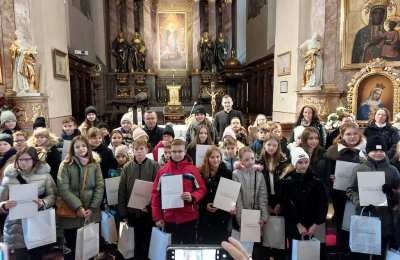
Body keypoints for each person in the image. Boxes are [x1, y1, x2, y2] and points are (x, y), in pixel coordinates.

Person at [347, 135, 400, 259]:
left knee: (380, 252)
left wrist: (392, 192)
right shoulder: (359, 169)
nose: (378, 153)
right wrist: (359, 201)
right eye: (374, 151)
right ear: (368, 152)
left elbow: (398, 191)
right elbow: (350, 190)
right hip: (364, 214)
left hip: (385, 217)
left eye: (381, 151)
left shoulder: (392, 170)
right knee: (362, 252)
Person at [0, 147, 56, 259]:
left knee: (37, 255)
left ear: (34, 160)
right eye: (20, 160)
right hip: (15, 226)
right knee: (20, 256)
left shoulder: (45, 176)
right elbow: (1, 200)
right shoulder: (9, 178)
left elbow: (53, 196)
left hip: (37, 222)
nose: (23, 162)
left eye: (26, 159)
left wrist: (43, 202)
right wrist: (4, 205)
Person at [151, 139, 207, 244]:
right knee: (171, 250)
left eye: (180, 151)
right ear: (169, 152)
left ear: (185, 152)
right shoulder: (163, 171)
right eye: (174, 151)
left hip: (189, 218)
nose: (177, 154)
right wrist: (157, 217)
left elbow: (202, 189)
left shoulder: (192, 170)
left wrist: (193, 196)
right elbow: (155, 195)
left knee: (188, 250)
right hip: (169, 218)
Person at [57, 135, 104, 260]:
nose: (81, 149)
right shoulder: (65, 165)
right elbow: (63, 188)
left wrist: (93, 207)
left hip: (91, 213)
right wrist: (78, 207)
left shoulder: (94, 164)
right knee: (71, 249)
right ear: (72, 149)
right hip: (71, 214)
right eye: (77, 146)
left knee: (89, 249)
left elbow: (100, 186)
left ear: (88, 147)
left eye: (83, 146)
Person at [325, 122, 365, 256]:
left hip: (359, 194)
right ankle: (341, 249)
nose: (352, 137)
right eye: (348, 134)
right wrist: (330, 176)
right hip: (339, 193)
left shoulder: (365, 150)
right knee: (341, 220)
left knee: (356, 221)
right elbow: (327, 171)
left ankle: (355, 250)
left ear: (359, 135)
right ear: (342, 135)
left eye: (355, 134)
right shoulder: (333, 150)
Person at [281, 147, 328, 257]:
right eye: (300, 162)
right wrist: (297, 224)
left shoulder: (317, 181)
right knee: (297, 253)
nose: (303, 165)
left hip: (315, 224)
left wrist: (316, 223)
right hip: (296, 226)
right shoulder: (287, 182)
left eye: (306, 162)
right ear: (294, 163)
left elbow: (323, 203)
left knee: (315, 254)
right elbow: (287, 205)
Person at [118, 138, 159, 259]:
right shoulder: (127, 167)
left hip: (147, 213)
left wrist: (151, 207)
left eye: (141, 149)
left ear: (147, 149)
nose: (139, 152)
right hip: (132, 213)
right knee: (133, 243)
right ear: (132, 151)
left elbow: (157, 189)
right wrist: (123, 212)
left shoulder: (154, 166)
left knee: (147, 241)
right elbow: (122, 191)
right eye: (136, 149)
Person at [233, 147, 268, 255]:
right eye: (246, 160)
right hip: (242, 217)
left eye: (252, 159)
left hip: (255, 216)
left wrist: (263, 217)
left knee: (253, 250)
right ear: (241, 161)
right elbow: (237, 199)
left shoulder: (259, 174)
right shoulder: (236, 174)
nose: (250, 162)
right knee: (241, 250)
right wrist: (240, 220)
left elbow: (263, 197)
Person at [259, 133, 288, 260]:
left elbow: (286, 186)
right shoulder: (258, 162)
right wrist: (266, 205)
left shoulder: (284, 162)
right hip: (265, 200)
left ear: (278, 147)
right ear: (264, 145)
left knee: (279, 232)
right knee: (265, 234)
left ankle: (278, 255)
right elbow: (258, 186)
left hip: (279, 200)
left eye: (274, 145)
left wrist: (280, 203)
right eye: (269, 145)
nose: (271, 148)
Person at [198, 146, 233, 243]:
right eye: (212, 157)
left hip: (221, 217)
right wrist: (205, 205)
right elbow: (198, 193)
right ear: (207, 158)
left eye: (218, 157)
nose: (215, 160)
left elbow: (230, 195)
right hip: (205, 217)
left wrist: (221, 205)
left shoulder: (227, 173)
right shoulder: (201, 173)